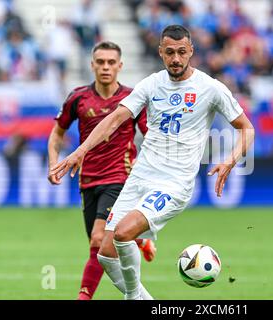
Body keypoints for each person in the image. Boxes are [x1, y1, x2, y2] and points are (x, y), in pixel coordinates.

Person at [50, 25, 255, 300]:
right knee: (105, 254)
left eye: (182, 52)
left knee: (123, 233)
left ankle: (133, 297)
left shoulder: (210, 88)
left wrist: (230, 161)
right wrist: (80, 151)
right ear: (160, 52)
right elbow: (113, 120)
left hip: (173, 184)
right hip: (139, 179)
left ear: (191, 51)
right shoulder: (152, 84)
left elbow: (246, 128)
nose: (176, 59)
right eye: (169, 52)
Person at [47, 41, 156, 300]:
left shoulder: (132, 98)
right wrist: (53, 162)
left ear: (120, 66)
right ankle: (137, 240)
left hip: (121, 177)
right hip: (88, 180)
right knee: (97, 248)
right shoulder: (78, 98)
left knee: (98, 239)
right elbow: (57, 132)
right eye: (100, 62)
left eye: (110, 62)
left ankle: (83, 297)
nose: (105, 67)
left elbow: (150, 134)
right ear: (92, 65)